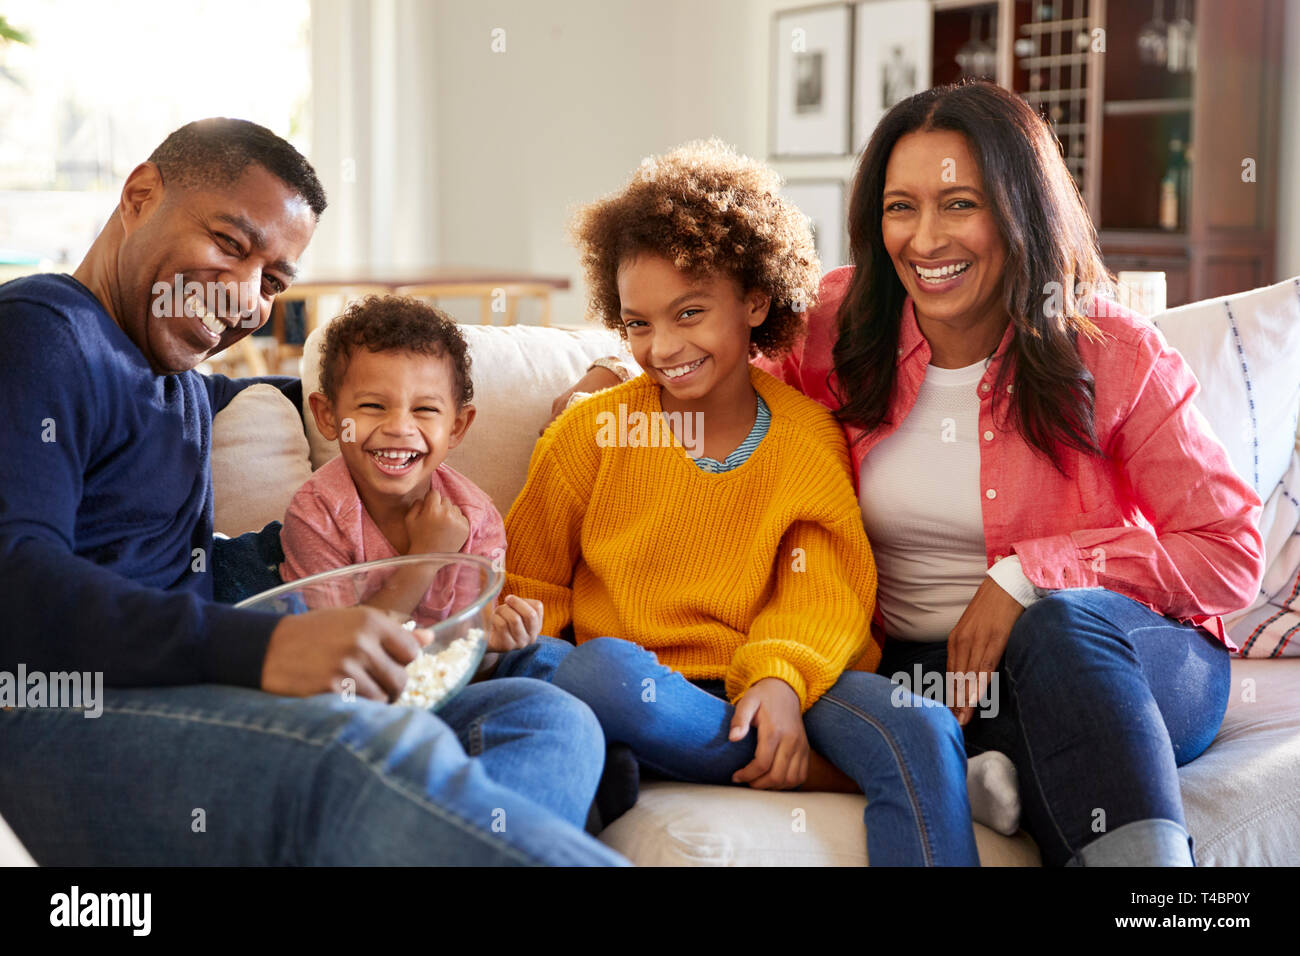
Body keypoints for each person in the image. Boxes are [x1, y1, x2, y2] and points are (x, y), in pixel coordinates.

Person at [554, 83, 1264, 867]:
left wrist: (1030, 576)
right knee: (907, 723)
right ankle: (993, 774)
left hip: (1129, 663)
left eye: (959, 204)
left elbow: (1229, 553)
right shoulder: (836, 323)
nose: (926, 240)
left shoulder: (1112, 351)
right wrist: (604, 371)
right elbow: (711, 351)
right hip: (934, 680)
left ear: (1019, 208)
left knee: (1058, 631)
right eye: (901, 207)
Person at [0, 117, 624, 865]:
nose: (241, 297)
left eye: (271, 281)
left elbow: (362, 396)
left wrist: (609, 375)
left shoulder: (181, 385)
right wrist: (263, 647)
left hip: (199, 704)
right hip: (62, 712)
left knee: (543, 717)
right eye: (229, 245)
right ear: (140, 195)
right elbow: (14, 576)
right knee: (362, 749)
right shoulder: (44, 333)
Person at [499, 140, 982, 866]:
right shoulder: (592, 434)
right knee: (597, 674)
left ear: (754, 301)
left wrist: (781, 681)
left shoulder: (805, 437)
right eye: (637, 323)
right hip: (647, 688)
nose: (661, 346)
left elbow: (822, 587)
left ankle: (730, 754)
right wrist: (519, 629)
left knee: (918, 725)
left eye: (689, 313)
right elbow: (529, 579)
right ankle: (808, 771)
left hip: (791, 684)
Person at [282, 295, 544, 677]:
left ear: (456, 427)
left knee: (547, 680)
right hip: (355, 702)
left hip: (448, 688)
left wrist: (496, 642)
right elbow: (340, 657)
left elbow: (472, 664)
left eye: (425, 410)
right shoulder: (316, 514)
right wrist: (428, 557)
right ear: (328, 416)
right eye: (372, 406)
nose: (400, 428)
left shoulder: (476, 518)